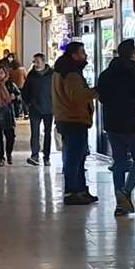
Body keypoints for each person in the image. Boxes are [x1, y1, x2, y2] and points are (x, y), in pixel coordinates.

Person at [94, 38, 135, 217]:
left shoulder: (106, 73)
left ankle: (120, 204)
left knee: (119, 162)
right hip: (133, 124)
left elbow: (102, 97)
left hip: (112, 124)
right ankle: (126, 192)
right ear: (133, 54)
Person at [52, 42, 98, 205]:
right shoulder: (71, 73)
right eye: (82, 52)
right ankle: (72, 191)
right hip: (74, 119)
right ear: (74, 55)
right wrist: (96, 91)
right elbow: (77, 96)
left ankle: (80, 189)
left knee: (77, 156)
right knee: (75, 158)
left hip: (66, 118)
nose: (85, 55)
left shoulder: (61, 71)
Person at [21, 52, 54, 165]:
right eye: (34, 62)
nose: (36, 64)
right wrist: (28, 103)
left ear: (44, 61)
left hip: (49, 108)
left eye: (38, 61)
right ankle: (34, 155)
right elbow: (25, 91)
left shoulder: (52, 74)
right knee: (34, 132)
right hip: (35, 108)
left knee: (48, 133)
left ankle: (47, 156)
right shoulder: (31, 75)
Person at [0, 64, 21, 166]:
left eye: (1, 73)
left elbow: (18, 96)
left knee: (10, 136)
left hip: (8, 113)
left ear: (5, 74)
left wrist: (14, 97)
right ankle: (1, 157)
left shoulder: (10, 84)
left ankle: (9, 153)